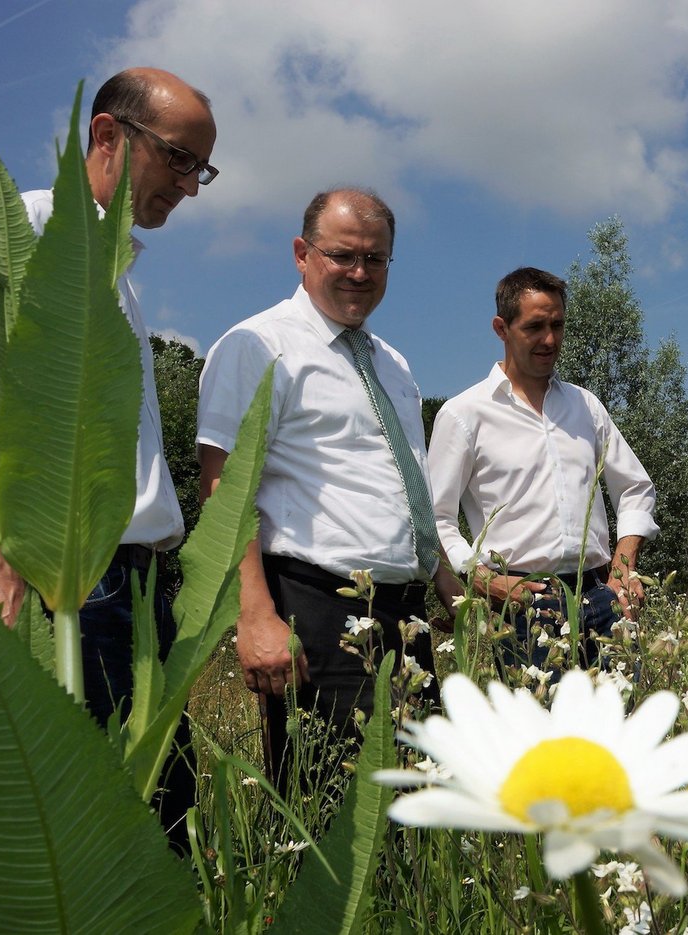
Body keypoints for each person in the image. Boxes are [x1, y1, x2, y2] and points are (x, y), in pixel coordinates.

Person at [0, 67, 217, 844]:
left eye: (200, 169)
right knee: (69, 833)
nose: (191, 187)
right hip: (54, 579)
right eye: (178, 159)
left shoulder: (121, 276)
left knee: (156, 826)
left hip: (129, 586)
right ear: (106, 134)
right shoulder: (16, 236)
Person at [197, 188, 455, 785]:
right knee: (332, 816)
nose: (359, 273)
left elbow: (404, 479)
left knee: (423, 809)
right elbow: (222, 488)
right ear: (301, 254)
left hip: (402, 609)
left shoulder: (393, 363)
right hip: (314, 605)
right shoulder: (257, 346)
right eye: (342, 256)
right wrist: (255, 615)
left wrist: (443, 580)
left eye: (376, 259)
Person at [427, 267, 658, 677]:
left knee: (620, 730)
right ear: (502, 327)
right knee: (539, 733)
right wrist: (477, 575)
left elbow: (636, 488)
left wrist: (623, 565)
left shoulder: (585, 406)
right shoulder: (465, 414)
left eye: (557, 325)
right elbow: (436, 517)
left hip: (601, 595)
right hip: (522, 602)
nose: (549, 339)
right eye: (535, 326)